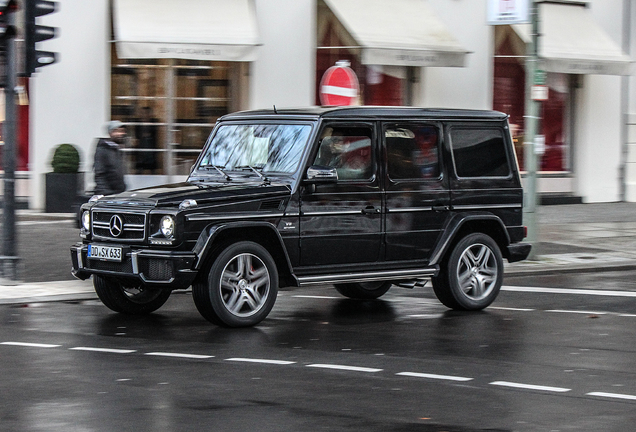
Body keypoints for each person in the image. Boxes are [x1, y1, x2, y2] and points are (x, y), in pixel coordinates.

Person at [93, 120, 127, 195]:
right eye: (117, 131)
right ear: (110, 133)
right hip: (108, 195)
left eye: (122, 131)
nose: (121, 134)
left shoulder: (116, 149)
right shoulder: (102, 150)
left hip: (118, 194)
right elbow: (99, 174)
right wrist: (106, 193)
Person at [134, 106, 158, 173]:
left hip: (150, 145)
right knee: (140, 164)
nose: (144, 115)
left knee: (151, 164)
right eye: (143, 113)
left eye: (146, 113)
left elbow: (154, 134)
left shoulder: (154, 122)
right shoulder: (137, 123)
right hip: (141, 145)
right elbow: (137, 135)